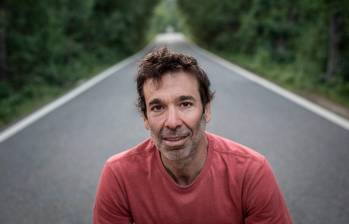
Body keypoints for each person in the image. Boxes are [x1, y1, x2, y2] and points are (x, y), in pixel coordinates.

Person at [93, 47, 293, 224]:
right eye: (158, 107)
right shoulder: (118, 176)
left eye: (185, 104)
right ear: (145, 117)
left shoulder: (251, 172)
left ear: (206, 109)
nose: (172, 122)